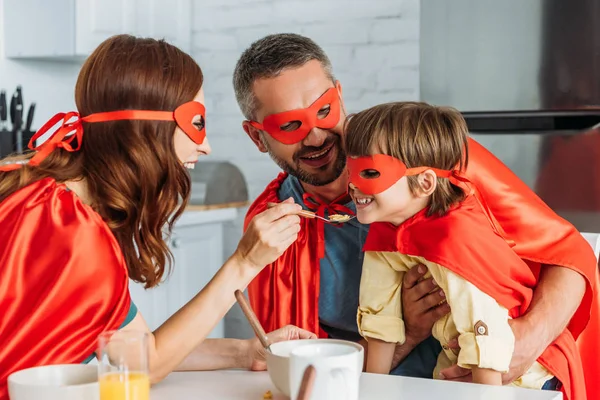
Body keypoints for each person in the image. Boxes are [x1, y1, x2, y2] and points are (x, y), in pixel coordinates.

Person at [232, 32, 598, 387]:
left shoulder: (435, 161)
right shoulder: (272, 226)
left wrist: (521, 346)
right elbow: (295, 365)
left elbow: (570, 256)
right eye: (289, 125)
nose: (315, 137)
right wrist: (406, 334)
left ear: (340, 97)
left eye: (324, 111)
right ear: (256, 136)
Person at [0, 34, 314, 399]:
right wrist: (244, 263)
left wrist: (245, 352)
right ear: (147, 128)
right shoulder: (69, 229)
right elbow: (146, 366)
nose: (205, 145)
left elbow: (132, 351)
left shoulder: (55, 201)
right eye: (196, 123)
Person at [346, 102, 584, 399]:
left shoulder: (454, 241)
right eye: (350, 169)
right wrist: (370, 391)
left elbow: (483, 331)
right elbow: (380, 317)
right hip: (457, 368)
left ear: (424, 183)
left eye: (369, 173)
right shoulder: (385, 226)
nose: (352, 184)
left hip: (523, 381)